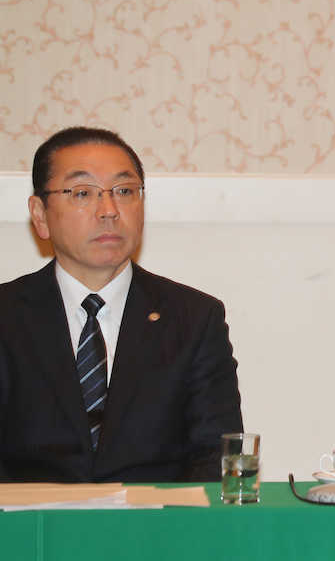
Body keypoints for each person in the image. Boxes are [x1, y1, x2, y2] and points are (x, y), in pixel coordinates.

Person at [0, 127, 243, 482]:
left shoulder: (194, 319)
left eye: (125, 191)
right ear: (40, 215)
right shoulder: (7, 316)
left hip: (158, 517)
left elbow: (216, 457)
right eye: (82, 193)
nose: (109, 211)